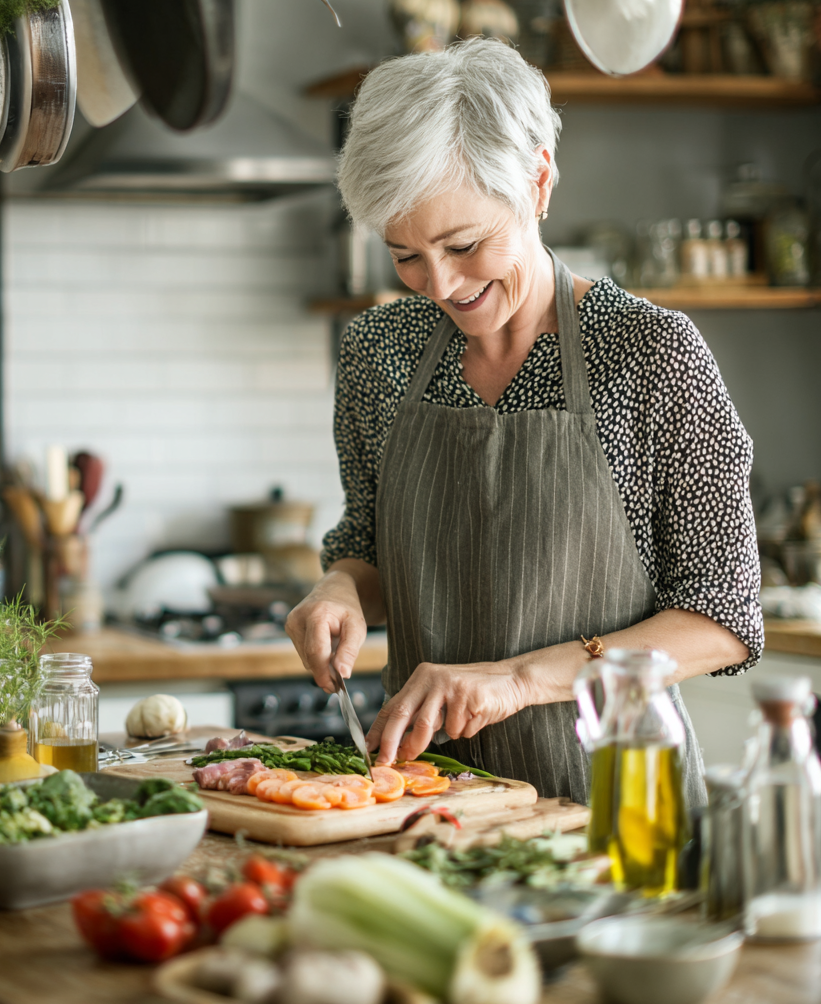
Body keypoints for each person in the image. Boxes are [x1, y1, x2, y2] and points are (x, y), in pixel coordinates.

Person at [285, 39, 762, 805]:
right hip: (431, 808)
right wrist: (341, 590)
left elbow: (722, 617)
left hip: (616, 806)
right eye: (405, 255)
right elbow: (371, 550)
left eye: (465, 245)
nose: (441, 284)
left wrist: (516, 680)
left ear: (537, 184)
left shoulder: (649, 354)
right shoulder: (379, 352)